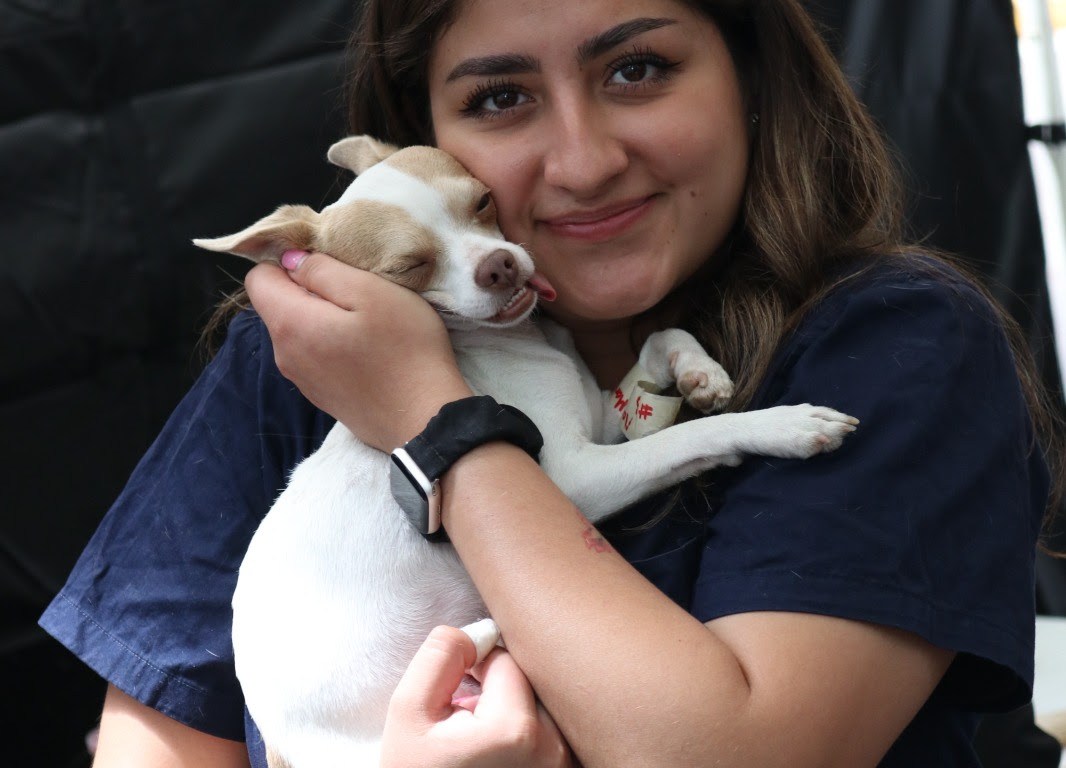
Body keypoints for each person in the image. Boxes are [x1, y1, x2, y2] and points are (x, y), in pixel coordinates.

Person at [40, 0, 1063, 766]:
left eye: (637, 69)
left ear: (750, 77)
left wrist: (433, 419)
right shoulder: (304, 357)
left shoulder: (893, 343)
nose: (581, 162)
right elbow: (155, 744)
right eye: (500, 98)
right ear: (420, 136)